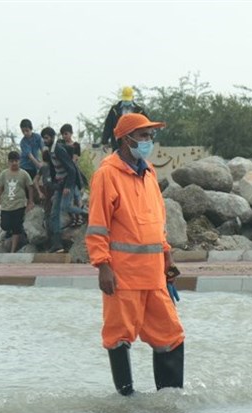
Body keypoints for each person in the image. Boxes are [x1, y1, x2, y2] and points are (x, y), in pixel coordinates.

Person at [85, 113, 185, 396]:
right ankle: (125, 403)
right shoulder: (107, 174)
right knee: (119, 338)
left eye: (150, 136)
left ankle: (170, 401)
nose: (148, 141)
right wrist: (102, 265)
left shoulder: (150, 172)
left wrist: (168, 261)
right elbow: (97, 225)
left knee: (171, 335)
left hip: (155, 275)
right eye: (143, 136)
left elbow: (158, 223)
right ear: (126, 139)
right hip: (123, 276)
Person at [40, 126, 87, 253]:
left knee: (65, 207)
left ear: (52, 137)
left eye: (47, 138)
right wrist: (55, 185)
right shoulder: (49, 151)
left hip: (68, 182)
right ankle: (57, 243)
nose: (45, 140)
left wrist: (67, 186)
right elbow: (53, 170)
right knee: (54, 214)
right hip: (60, 184)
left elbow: (71, 169)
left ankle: (86, 213)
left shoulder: (58, 149)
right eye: (43, 138)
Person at [0, 150, 34, 253]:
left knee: (16, 228)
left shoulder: (24, 174)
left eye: (16, 161)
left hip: (19, 205)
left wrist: (30, 202)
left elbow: (30, 187)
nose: (14, 163)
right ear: (9, 162)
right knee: (5, 225)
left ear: (19, 161)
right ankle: (11, 233)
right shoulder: (4, 174)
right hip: (6, 205)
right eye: (12, 161)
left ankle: (13, 250)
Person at [100, 86, 148, 151]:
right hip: (117, 143)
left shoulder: (139, 111)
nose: (126, 102)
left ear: (132, 98)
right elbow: (108, 126)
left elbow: (147, 126)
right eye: (125, 99)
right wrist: (105, 142)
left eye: (128, 99)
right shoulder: (114, 110)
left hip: (135, 144)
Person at [60, 123, 84, 226]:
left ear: (71, 133)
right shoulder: (61, 145)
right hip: (64, 174)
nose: (64, 136)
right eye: (63, 134)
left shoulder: (75, 145)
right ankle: (74, 218)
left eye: (66, 133)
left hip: (73, 174)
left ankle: (80, 217)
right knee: (68, 199)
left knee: (76, 196)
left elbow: (74, 160)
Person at [19, 119, 44, 202]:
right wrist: (38, 164)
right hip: (26, 166)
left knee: (35, 183)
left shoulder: (37, 137)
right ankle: (30, 201)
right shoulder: (23, 142)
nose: (25, 133)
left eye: (27, 131)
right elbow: (30, 156)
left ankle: (37, 199)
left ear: (31, 129)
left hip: (35, 165)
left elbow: (43, 149)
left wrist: (45, 161)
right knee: (28, 185)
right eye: (23, 131)